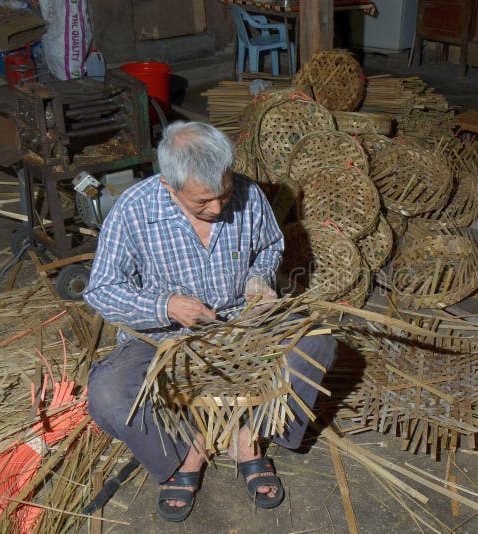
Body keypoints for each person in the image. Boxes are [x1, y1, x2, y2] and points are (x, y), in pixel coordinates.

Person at [83, 121, 338, 522]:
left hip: (240, 324)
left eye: (223, 193)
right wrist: (165, 307)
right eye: (202, 203)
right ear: (169, 186)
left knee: (319, 343)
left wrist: (258, 282)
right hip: (160, 338)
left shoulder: (248, 194)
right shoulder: (133, 210)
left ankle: (249, 437)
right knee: (108, 394)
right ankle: (186, 452)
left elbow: (270, 247)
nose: (218, 209)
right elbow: (101, 291)